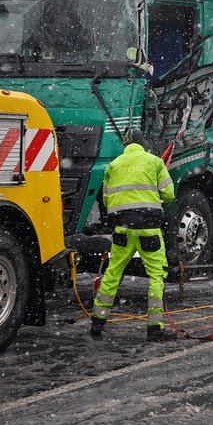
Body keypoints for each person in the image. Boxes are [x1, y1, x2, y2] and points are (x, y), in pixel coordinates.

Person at [91, 129, 176, 342]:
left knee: (113, 271)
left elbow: (107, 200)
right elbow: (169, 194)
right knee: (156, 275)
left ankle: (98, 321)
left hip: (122, 229)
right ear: (142, 144)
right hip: (149, 229)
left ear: (126, 146)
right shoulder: (154, 162)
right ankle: (154, 328)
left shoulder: (114, 165)